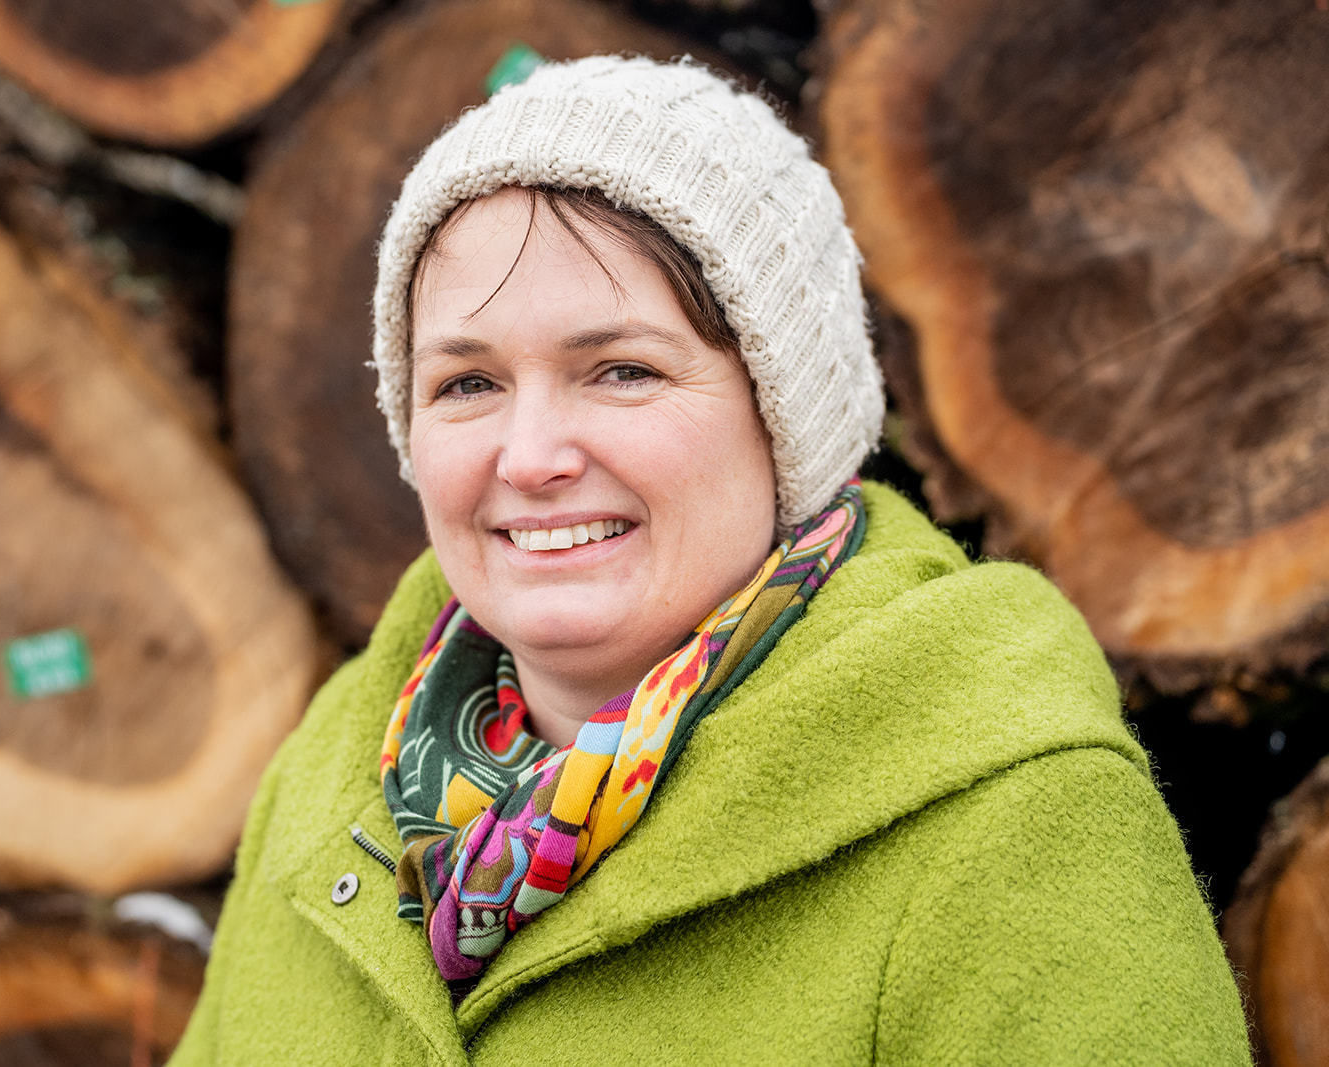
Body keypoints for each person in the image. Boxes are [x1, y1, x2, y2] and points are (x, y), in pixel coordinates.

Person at [170, 55, 1249, 1064]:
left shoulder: (1025, 830)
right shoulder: (331, 771)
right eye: (466, 383)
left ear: (787, 418)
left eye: (623, 370)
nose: (531, 454)